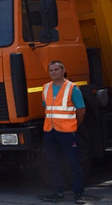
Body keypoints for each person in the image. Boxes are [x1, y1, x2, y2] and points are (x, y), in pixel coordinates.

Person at [39, 61, 87, 204]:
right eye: (51, 70)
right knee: (53, 162)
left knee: (73, 162)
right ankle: (58, 192)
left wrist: (74, 125)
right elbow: (46, 107)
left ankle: (78, 192)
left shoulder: (73, 88)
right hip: (50, 131)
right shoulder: (46, 88)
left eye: (56, 69)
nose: (53, 72)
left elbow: (81, 110)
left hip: (67, 131)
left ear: (63, 70)